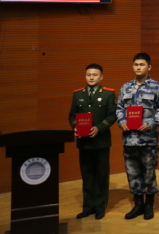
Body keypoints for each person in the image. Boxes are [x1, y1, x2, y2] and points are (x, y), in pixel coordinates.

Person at [116, 53, 159, 220]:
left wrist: (151, 123)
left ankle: (149, 205)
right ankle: (138, 205)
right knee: (132, 172)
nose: (138, 67)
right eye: (136, 64)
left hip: (148, 139)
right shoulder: (125, 87)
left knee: (149, 172)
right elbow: (119, 108)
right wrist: (122, 121)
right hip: (129, 138)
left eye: (142, 64)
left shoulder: (157, 87)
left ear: (149, 67)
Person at [68, 63, 116, 219]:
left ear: (101, 77)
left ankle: (100, 207)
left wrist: (99, 128)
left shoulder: (108, 93)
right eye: (88, 74)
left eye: (95, 75)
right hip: (84, 142)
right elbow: (72, 116)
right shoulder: (78, 94)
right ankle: (88, 207)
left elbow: (112, 115)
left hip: (101, 142)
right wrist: (75, 127)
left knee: (101, 175)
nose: (91, 77)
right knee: (87, 175)